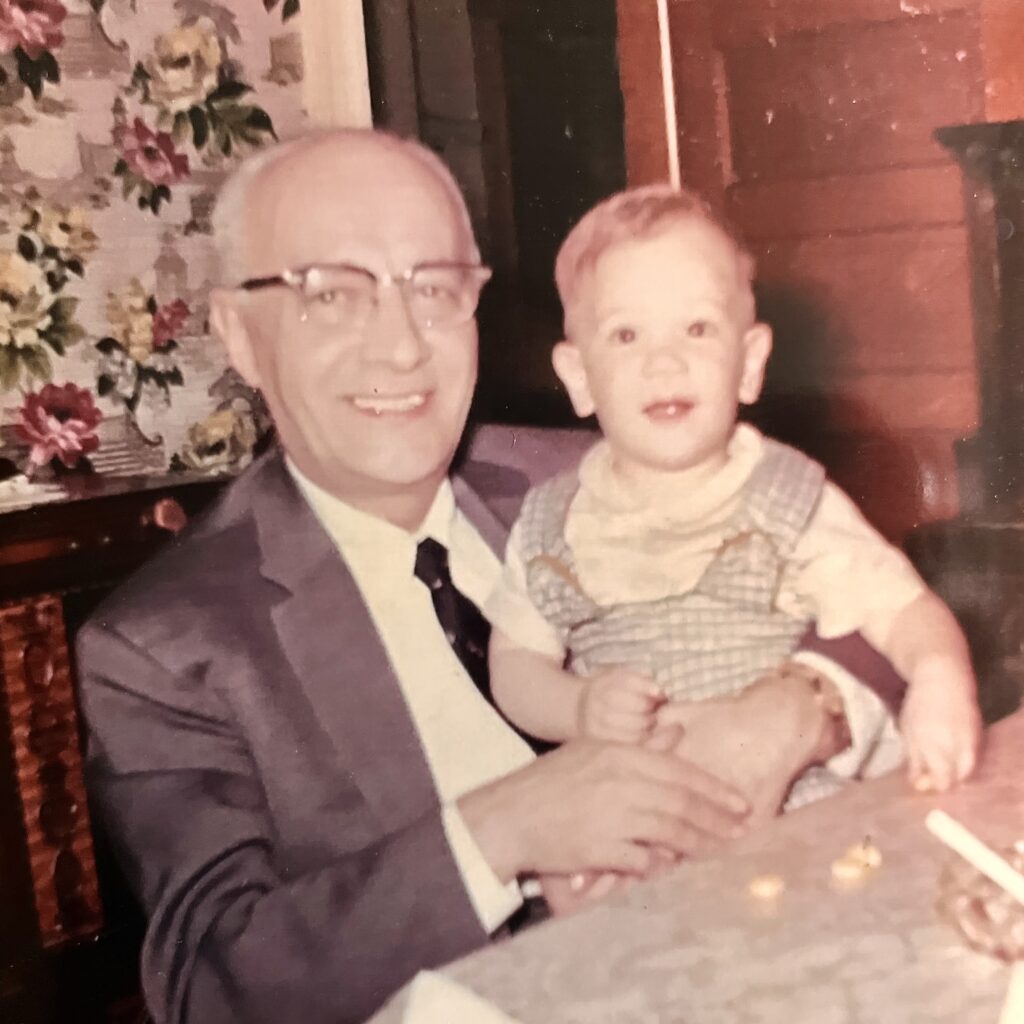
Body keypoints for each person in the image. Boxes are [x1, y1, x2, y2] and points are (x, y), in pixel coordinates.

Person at [77, 130, 907, 1024]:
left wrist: (792, 710)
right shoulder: (163, 645)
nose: (401, 349)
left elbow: (888, 611)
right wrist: (503, 829)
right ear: (239, 335)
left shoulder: (595, 481)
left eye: (433, 290)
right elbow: (212, 985)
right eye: (334, 296)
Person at [488, 183, 983, 823]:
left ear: (749, 363)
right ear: (579, 376)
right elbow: (516, 665)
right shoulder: (549, 524)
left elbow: (902, 609)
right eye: (627, 335)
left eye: (697, 327)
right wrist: (577, 708)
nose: (664, 360)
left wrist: (942, 679)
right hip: (626, 812)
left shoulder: (787, 500)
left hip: (781, 809)